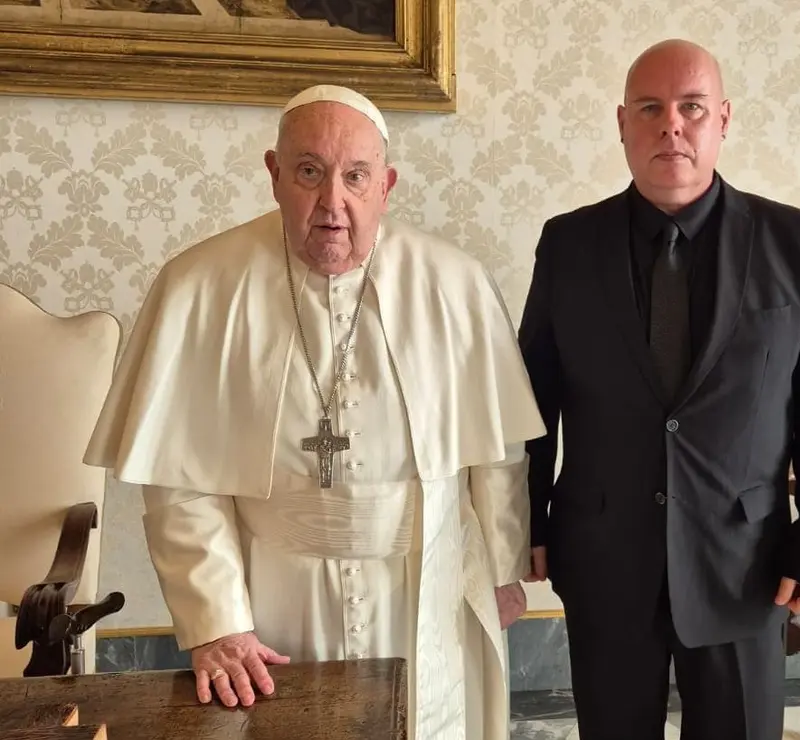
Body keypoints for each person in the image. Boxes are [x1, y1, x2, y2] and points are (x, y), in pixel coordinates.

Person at [83, 84, 546, 739]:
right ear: (274, 175)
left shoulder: (454, 282)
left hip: (429, 586)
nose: (333, 202)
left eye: (355, 177)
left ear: (385, 185)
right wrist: (218, 622)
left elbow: (496, 449)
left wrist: (500, 568)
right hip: (273, 598)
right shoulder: (201, 285)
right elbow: (180, 482)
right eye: (309, 172)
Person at [518, 39, 800, 740]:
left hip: (746, 564)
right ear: (623, 123)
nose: (671, 125)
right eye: (650, 108)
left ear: (723, 120)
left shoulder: (794, 242)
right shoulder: (568, 244)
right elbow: (531, 400)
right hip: (605, 557)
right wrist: (526, 524)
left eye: (692, 108)